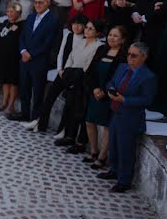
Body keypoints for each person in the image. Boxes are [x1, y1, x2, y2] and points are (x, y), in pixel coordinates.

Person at [102, 42, 157, 193]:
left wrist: (124, 100)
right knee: (113, 144)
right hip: (115, 112)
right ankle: (114, 170)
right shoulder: (122, 68)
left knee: (126, 149)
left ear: (144, 57)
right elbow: (111, 82)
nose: (130, 58)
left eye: (134, 55)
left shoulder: (148, 77)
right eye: (128, 54)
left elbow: (147, 99)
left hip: (130, 118)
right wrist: (110, 90)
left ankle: (124, 181)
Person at [34, 19, 102, 133]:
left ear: (98, 33)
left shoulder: (98, 46)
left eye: (91, 28)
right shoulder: (81, 41)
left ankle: (63, 131)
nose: (87, 30)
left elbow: (89, 64)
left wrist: (76, 74)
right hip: (67, 72)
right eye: (87, 27)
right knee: (50, 96)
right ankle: (40, 123)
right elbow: (70, 56)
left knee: (70, 104)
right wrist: (64, 70)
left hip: (80, 77)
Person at [70, 26, 127, 162]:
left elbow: (120, 78)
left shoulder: (123, 57)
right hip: (95, 92)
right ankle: (94, 152)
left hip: (109, 95)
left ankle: (102, 156)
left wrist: (105, 92)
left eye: (115, 36)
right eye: (110, 35)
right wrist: (94, 88)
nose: (111, 38)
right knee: (90, 121)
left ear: (123, 40)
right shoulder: (101, 50)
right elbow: (91, 71)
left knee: (107, 126)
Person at [9, 0, 59, 123]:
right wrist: (23, 51)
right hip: (25, 59)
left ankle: (36, 118)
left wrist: (31, 54)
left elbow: (48, 43)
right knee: (24, 89)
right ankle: (25, 114)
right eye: (36, 2)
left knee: (37, 91)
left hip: (39, 60)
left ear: (47, 3)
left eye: (40, 2)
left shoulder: (53, 20)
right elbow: (23, 37)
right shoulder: (30, 17)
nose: (37, 5)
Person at [0, 2, 24, 115]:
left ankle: (11, 106)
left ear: (18, 13)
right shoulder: (5, 23)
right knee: (5, 81)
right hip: (3, 57)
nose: (9, 14)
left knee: (13, 82)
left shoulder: (22, 25)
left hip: (14, 58)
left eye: (12, 11)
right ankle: (4, 103)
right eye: (8, 11)